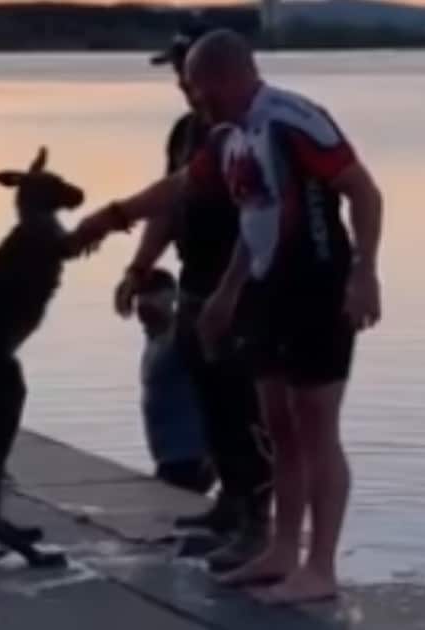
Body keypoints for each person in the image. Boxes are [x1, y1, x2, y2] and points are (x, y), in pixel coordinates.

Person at [70, 29, 384, 606]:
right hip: (266, 291)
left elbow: (363, 190)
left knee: (317, 429)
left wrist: (364, 273)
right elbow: (199, 196)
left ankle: (320, 567)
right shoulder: (229, 137)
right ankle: (281, 549)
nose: (197, 99)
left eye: (203, 88)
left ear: (233, 77)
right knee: (280, 429)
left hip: (318, 287)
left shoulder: (294, 120)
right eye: (191, 89)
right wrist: (112, 221)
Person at [118, 20, 276, 574]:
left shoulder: (253, 128)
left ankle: (258, 524)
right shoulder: (188, 130)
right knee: (207, 399)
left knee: (243, 405)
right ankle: (228, 505)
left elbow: (262, 218)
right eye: (180, 74)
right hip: (195, 278)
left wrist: (233, 292)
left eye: (188, 71)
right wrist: (140, 265)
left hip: (244, 287)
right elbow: (169, 203)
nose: (183, 84)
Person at [133, 268, 216, 494]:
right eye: (140, 295)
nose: (143, 302)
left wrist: (214, 455)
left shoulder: (183, 335)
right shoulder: (152, 337)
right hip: (167, 458)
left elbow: (215, 389)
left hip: (190, 458)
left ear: (170, 298)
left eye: (151, 295)